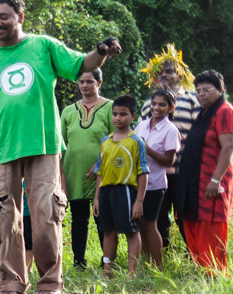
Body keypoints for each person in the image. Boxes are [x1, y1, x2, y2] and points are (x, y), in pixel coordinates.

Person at [0, 0, 122, 294]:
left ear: (20, 17)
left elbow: (82, 65)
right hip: (2, 148)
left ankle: (50, 283)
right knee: (4, 215)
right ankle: (10, 282)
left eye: (3, 17)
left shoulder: (43, 47)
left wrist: (101, 52)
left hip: (43, 145)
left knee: (45, 212)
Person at [176, 69, 233, 275]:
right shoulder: (205, 113)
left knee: (210, 225)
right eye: (198, 91)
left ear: (220, 90)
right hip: (195, 181)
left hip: (213, 181)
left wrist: (216, 179)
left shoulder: (226, 111)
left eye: (207, 90)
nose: (201, 94)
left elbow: (228, 147)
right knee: (192, 221)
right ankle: (204, 271)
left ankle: (215, 274)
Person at [139, 45, 200, 250]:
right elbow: (140, 138)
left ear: (179, 76)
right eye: (160, 72)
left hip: (183, 172)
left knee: (186, 214)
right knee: (157, 218)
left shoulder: (192, 99)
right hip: (155, 176)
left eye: (170, 71)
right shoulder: (149, 104)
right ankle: (162, 254)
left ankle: (193, 254)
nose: (164, 75)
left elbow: (198, 136)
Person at [59, 69, 112, 270]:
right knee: (79, 218)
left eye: (89, 81)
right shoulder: (68, 111)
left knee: (102, 217)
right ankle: (79, 261)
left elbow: (116, 140)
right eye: (81, 82)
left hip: (103, 172)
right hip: (73, 171)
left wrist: (99, 163)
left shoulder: (110, 107)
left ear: (99, 82)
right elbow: (61, 145)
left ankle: (106, 261)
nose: (84, 85)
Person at [92, 95, 148, 277]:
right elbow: (100, 171)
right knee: (108, 231)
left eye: (122, 114)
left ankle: (131, 272)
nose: (117, 118)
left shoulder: (136, 141)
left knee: (131, 231)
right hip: (106, 192)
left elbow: (143, 173)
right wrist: (97, 198)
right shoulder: (105, 141)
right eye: (114, 114)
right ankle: (108, 270)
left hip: (125, 191)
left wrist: (139, 201)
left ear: (132, 115)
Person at [134, 89, 181, 268]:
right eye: (154, 103)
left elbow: (168, 161)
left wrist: (148, 149)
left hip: (155, 184)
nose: (157, 107)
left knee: (150, 224)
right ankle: (147, 263)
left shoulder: (170, 130)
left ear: (170, 108)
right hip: (138, 184)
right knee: (139, 225)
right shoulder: (142, 125)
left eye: (162, 105)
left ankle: (159, 265)